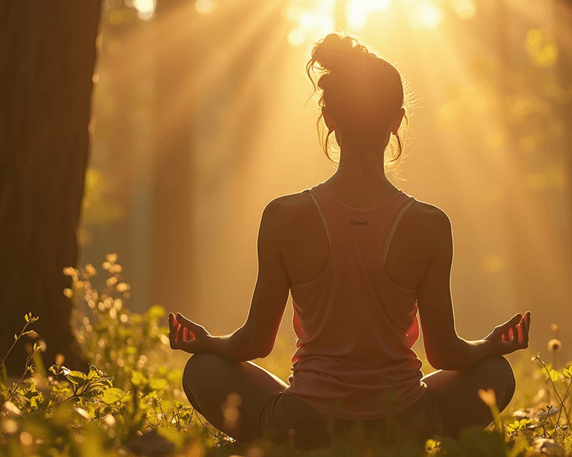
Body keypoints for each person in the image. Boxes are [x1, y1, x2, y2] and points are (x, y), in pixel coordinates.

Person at [168, 33, 531, 448]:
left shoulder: (283, 216)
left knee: (201, 370)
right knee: (497, 374)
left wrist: (205, 342)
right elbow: (445, 355)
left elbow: (255, 341)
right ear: (396, 121)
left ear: (330, 118)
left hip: (303, 422)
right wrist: (490, 345)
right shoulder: (430, 224)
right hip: (405, 418)